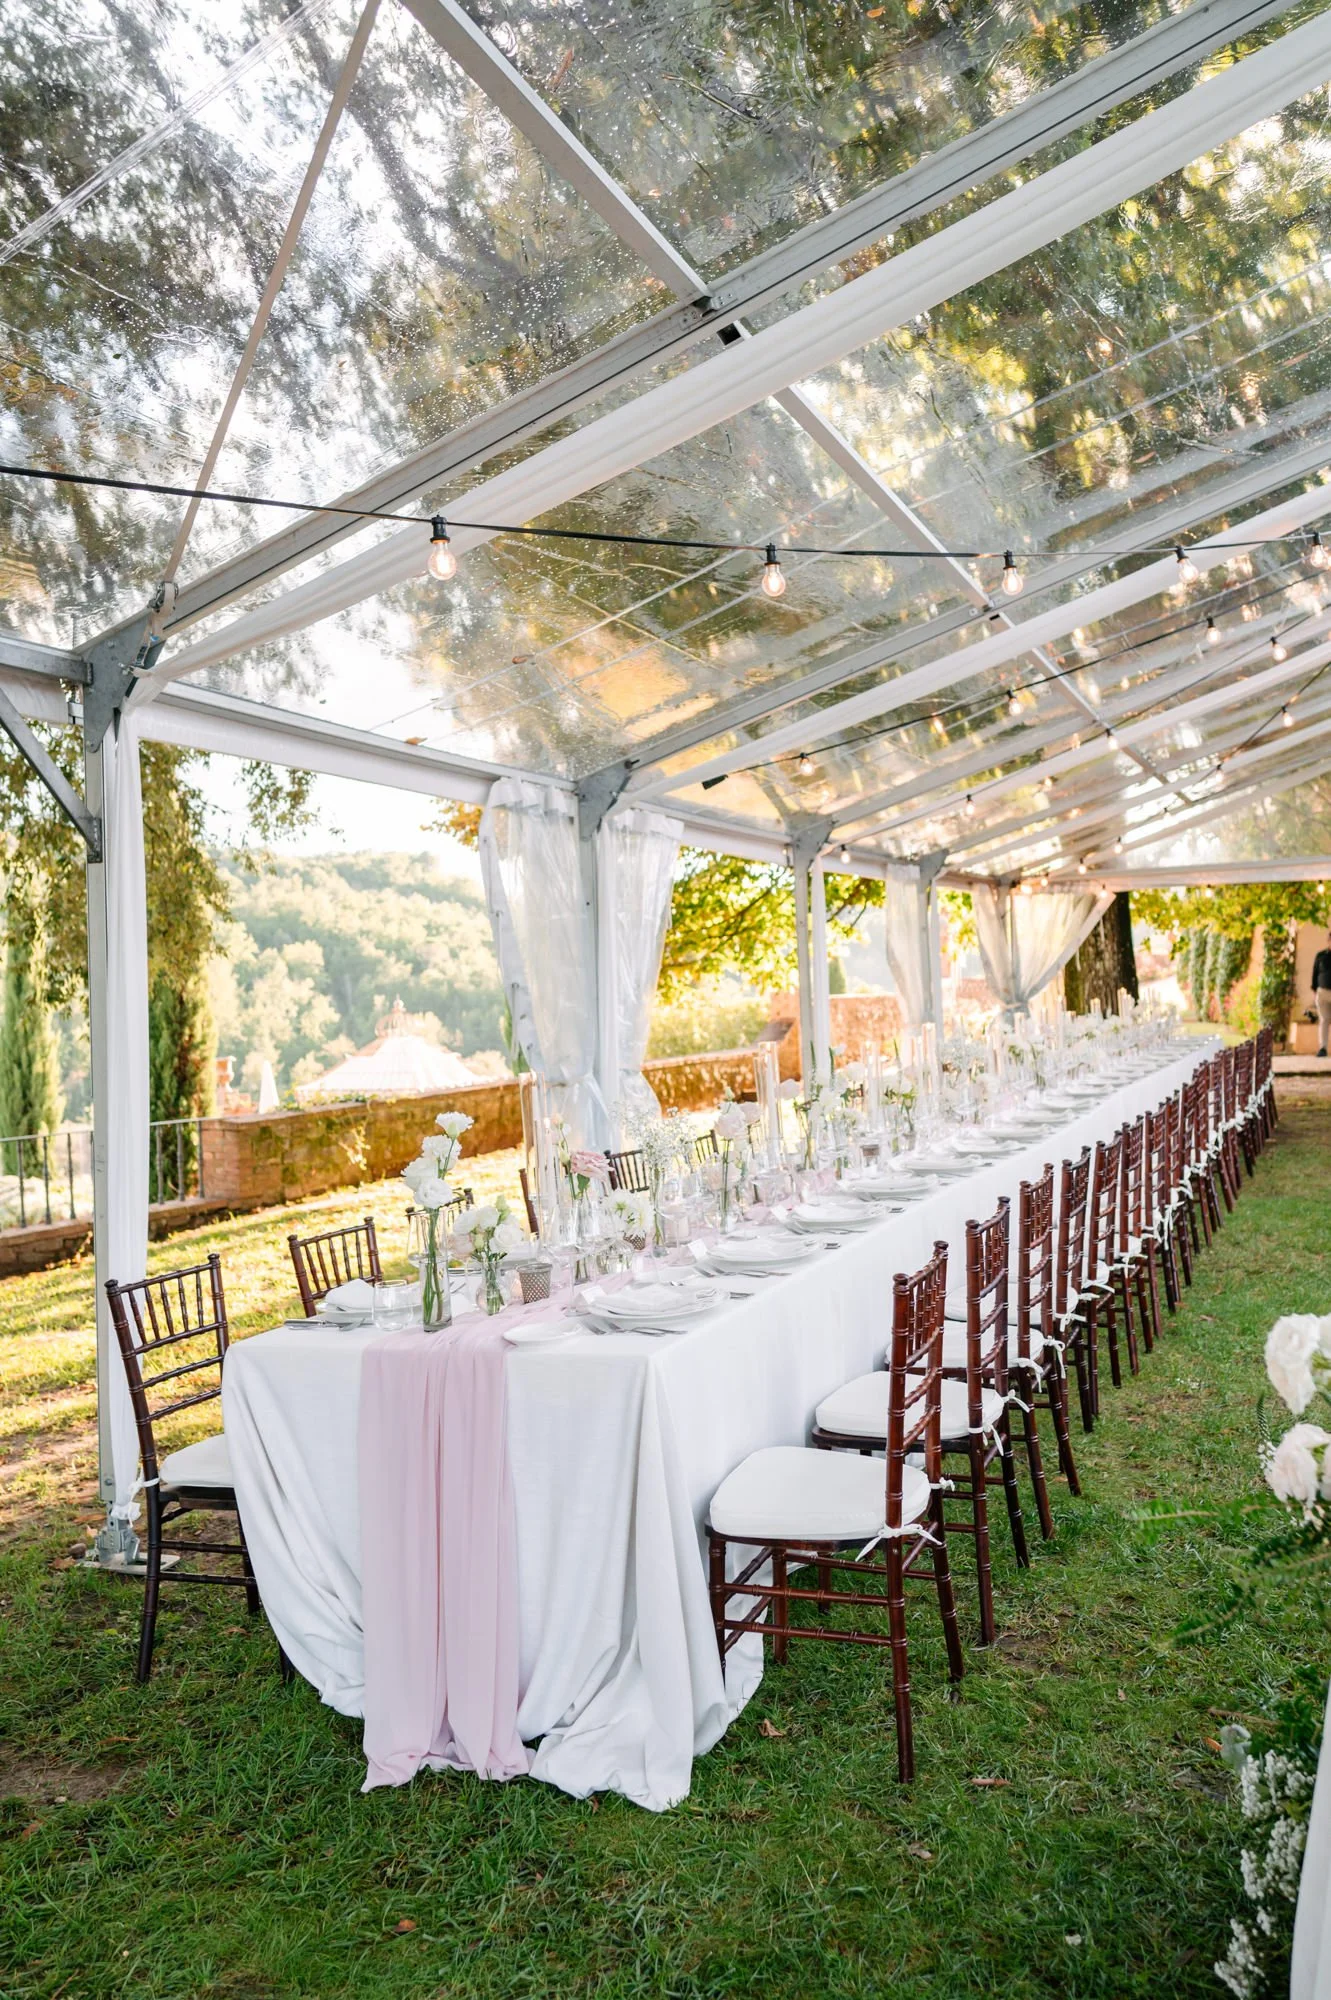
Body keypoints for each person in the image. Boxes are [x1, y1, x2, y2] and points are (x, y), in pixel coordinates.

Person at [1314, 928, 1331, 1057]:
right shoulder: (1321, 956)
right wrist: (1315, 989)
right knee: (1324, 1020)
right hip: (1322, 992)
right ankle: (1323, 1048)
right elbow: (1314, 974)